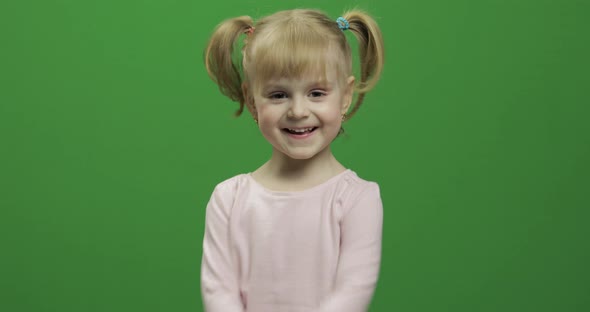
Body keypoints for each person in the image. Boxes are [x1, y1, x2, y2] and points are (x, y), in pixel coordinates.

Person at [201, 8, 385, 312]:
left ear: (345, 96)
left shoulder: (357, 199)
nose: (298, 111)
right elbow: (219, 292)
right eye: (278, 95)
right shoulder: (229, 199)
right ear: (251, 101)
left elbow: (353, 291)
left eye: (316, 92)